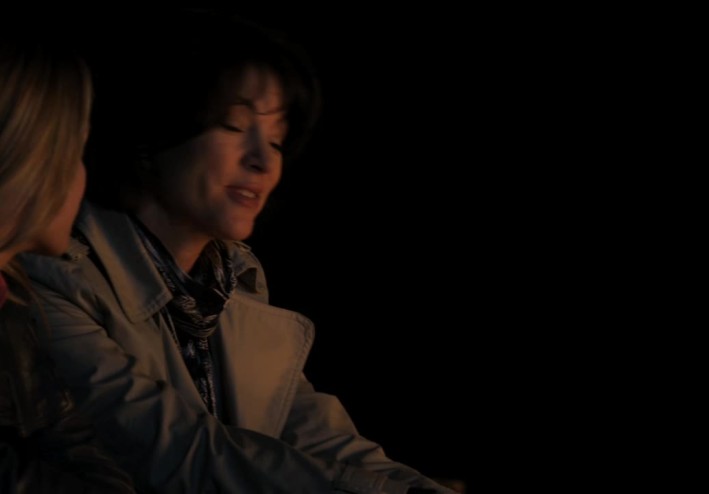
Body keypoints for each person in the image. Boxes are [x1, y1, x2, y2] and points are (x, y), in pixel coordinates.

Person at [17, 11, 457, 494]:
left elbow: (323, 439)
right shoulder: (54, 280)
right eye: (233, 126)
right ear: (152, 133)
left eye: (277, 141)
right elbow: (177, 449)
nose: (263, 161)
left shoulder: (230, 286)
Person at [0, 37, 136, 492]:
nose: (84, 175)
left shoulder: (16, 306)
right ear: (33, 159)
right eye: (77, 150)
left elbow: (72, 442)